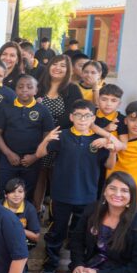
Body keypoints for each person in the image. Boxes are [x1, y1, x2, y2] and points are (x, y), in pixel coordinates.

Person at [35, 100, 117, 273]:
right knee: (57, 230)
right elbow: (40, 154)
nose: (82, 119)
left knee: (81, 234)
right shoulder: (62, 136)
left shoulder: (98, 141)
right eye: (78, 115)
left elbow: (109, 165)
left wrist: (112, 151)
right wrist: (46, 139)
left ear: (92, 119)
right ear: (71, 117)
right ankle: (50, 265)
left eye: (87, 116)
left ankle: (77, 265)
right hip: (61, 193)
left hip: (87, 195)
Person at [0, 75, 54, 200]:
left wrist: (35, 156)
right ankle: (4, 218)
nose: (24, 89)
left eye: (29, 87)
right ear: (15, 90)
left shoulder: (43, 110)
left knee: (26, 193)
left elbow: (49, 137)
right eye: (20, 87)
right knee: (5, 191)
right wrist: (8, 153)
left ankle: (23, 218)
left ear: (36, 90)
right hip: (8, 159)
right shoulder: (6, 109)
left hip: (31, 161)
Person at [33, 55, 83, 209]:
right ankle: (35, 212)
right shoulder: (38, 86)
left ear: (68, 70)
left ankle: (55, 217)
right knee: (38, 178)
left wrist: (51, 131)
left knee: (57, 180)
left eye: (63, 65)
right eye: (55, 64)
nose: (58, 68)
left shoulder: (73, 89)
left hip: (61, 141)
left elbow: (74, 114)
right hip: (37, 139)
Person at [0, 178, 40, 252]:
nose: (16, 195)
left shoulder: (30, 209)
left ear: (24, 194)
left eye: (20, 191)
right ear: (5, 194)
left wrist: (17, 228)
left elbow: (36, 237)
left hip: (21, 243)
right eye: (12, 191)